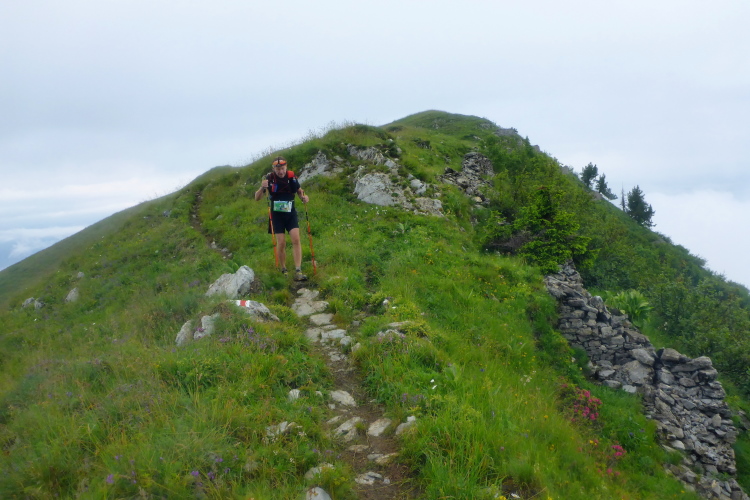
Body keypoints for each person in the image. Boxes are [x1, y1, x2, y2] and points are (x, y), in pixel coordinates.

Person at [254, 156, 310, 281]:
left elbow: (299, 191)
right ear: (274, 169)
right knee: (282, 242)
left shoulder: (291, 177)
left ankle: (298, 270)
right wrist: (262, 188)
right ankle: (284, 269)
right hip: (276, 215)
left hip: (290, 213)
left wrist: (304, 198)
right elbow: (257, 198)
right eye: (278, 169)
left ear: (286, 167)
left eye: (283, 168)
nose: (281, 172)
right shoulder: (269, 179)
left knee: (296, 239)